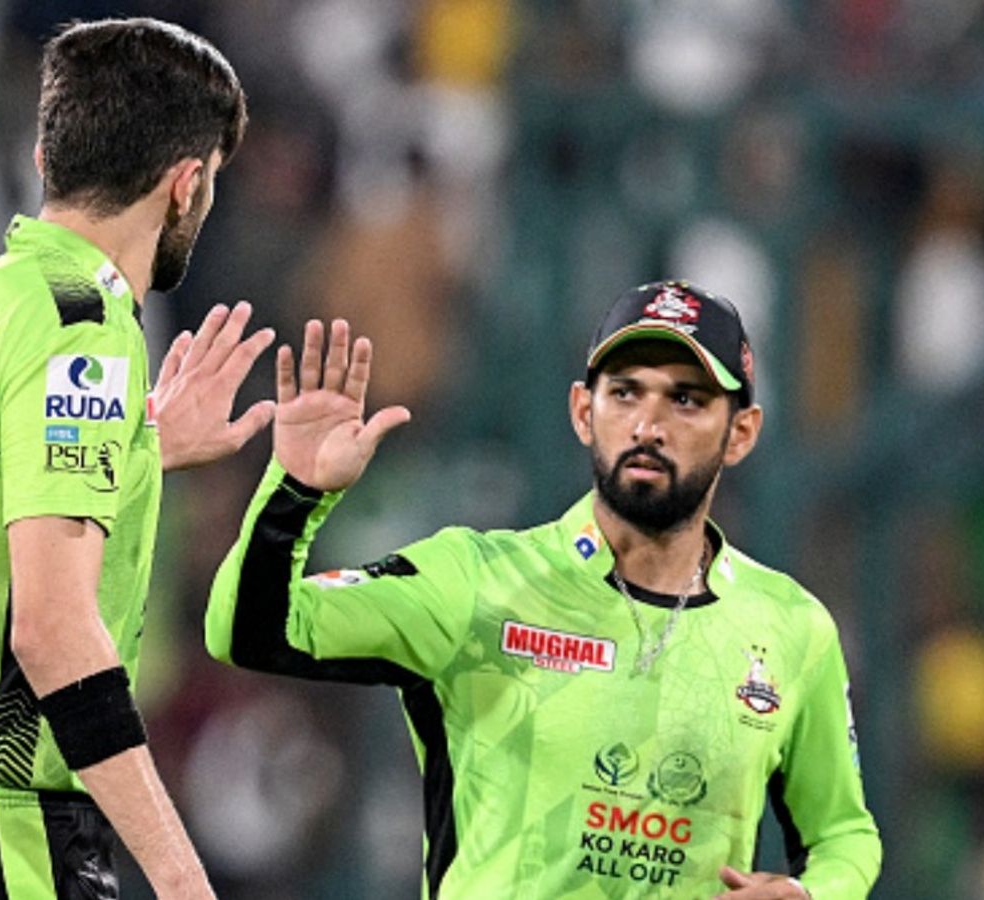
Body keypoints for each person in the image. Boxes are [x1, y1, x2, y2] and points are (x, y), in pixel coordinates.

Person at [204, 281, 882, 898]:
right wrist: (294, 493)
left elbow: (845, 835)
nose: (649, 425)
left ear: (741, 433)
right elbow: (245, 632)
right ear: (583, 412)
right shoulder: (476, 582)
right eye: (625, 392)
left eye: (686, 399)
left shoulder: (793, 628)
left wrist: (807, 895)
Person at [0, 18, 275, 900]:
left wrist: (140, 452)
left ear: (46, 154)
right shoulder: (87, 333)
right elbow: (52, 633)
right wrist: (183, 877)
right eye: (213, 179)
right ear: (185, 185)